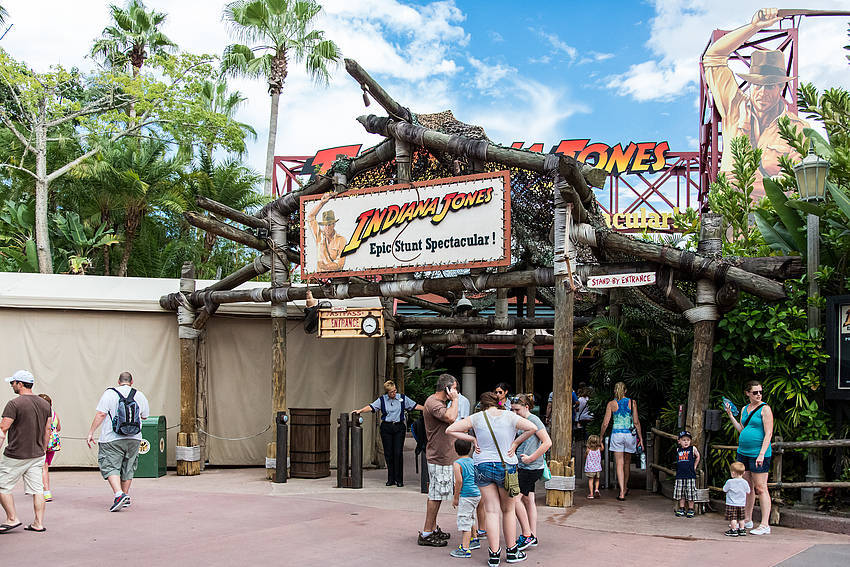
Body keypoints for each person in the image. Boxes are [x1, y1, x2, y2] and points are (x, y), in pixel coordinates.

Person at [702, 7, 809, 198]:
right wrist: (754, 26)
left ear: (780, 87)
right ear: (751, 85)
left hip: (772, 212)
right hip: (731, 209)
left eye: (770, 86)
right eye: (757, 85)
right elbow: (713, 57)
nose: (762, 93)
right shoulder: (734, 107)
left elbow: (801, 178)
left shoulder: (798, 128)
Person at [447, 392, 538, 566]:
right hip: (506, 465)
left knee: (491, 511)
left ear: (482, 405)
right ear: (498, 403)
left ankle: (494, 554)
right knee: (508, 510)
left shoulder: (477, 418)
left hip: (482, 465)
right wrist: (515, 443)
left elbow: (450, 429)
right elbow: (532, 428)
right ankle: (511, 551)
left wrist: (473, 439)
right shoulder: (510, 416)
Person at [86, 372, 150, 512]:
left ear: (118, 381)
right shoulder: (139, 395)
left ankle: (119, 494)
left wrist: (91, 432)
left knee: (110, 466)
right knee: (128, 467)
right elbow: (145, 416)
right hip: (134, 438)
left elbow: (101, 414)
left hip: (111, 438)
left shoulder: (109, 393)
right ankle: (125, 496)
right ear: (132, 381)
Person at [0, 370, 51, 533]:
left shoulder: (14, 404)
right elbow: (48, 429)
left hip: (16, 454)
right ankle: (38, 523)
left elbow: (3, 428)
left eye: (13, 383)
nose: (11, 385)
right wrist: (43, 449)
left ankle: (12, 518)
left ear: (20, 384)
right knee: (38, 489)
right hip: (37, 454)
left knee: (2, 486)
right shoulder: (45, 404)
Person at [724, 379, 773, 535]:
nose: (758, 395)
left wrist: (761, 454)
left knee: (761, 488)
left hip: (758, 453)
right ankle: (747, 518)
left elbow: (768, 433)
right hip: (743, 452)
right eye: (755, 392)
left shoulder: (765, 409)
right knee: (747, 486)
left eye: (760, 392)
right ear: (748, 393)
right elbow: (742, 429)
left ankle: (765, 524)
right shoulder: (745, 409)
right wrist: (730, 415)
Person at [418, 373, 461, 547]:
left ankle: (433, 528)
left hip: (444, 456)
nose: (457, 392)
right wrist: (455, 400)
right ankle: (427, 532)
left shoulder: (440, 403)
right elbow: (451, 417)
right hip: (439, 457)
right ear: (447, 388)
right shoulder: (434, 403)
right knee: (435, 495)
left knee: (438, 495)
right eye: (455, 388)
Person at [354, 380, 423, 487]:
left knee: (398, 453)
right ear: (387, 392)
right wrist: (360, 410)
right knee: (389, 453)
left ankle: (399, 480)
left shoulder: (402, 398)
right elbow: (371, 407)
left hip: (399, 426)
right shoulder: (382, 400)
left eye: (395, 391)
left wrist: (428, 408)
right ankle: (391, 479)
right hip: (387, 427)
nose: (394, 393)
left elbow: (414, 406)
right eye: (391, 392)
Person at [511, 394, 551, 552]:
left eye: (517, 410)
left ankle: (527, 534)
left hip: (531, 467)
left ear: (526, 407)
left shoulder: (534, 420)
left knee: (514, 499)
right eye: (512, 410)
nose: (514, 413)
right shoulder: (520, 421)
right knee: (528, 500)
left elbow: (547, 442)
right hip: (525, 465)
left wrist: (531, 458)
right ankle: (532, 535)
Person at [598, 382, 644, 501]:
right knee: (627, 463)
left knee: (619, 463)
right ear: (626, 391)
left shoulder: (611, 404)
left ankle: (621, 492)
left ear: (615, 391)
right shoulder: (632, 403)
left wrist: (601, 437)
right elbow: (636, 422)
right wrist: (641, 439)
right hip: (629, 435)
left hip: (617, 435)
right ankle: (625, 487)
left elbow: (605, 423)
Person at [450, 438, 481, 558]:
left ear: (455, 450)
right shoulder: (473, 461)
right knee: (471, 516)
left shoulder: (457, 464)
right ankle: (474, 539)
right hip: (477, 493)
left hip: (466, 495)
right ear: (470, 449)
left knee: (464, 521)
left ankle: (465, 548)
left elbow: (458, 481)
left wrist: (456, 497)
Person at [307, 192, 347, 271]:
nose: (327, 227)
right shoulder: (319, 235)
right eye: (325, 225)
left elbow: (340, 264)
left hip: (336, 275)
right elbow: (310, 216)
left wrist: (327, 267)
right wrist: (322, 203)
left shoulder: (341, 240)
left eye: (329, 224)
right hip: (320, 275)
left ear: (333, 224)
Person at [37, 394, 60, 502]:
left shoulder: (40, 415)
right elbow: (58, 428)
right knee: (44, 467)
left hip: (42, 443)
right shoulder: (54, 414)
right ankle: (40, 489)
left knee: (43, 468)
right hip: (52, 445)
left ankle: (46, 492)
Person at [674, 431, 700, 518]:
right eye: (684, 440)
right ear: (679, 441)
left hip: (690, 475)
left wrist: (695, 466)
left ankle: (691, 509)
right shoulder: (678, 450)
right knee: (681, 493)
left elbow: (698, 456)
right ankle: (681, 508)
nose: (686, 442)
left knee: (690, 493)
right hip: (680, 475)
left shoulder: (692, 449)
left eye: (688, 440)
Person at [723, 461, 751, 537]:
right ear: (744, 472)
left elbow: (724, 489)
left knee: (733, 518)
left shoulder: (730, 482)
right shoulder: (745, 482)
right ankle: (742, 529)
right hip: (741, 503)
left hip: (731, 503)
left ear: (733, 473)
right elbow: (748, 491)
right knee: (741, 518)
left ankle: (733, 530)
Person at [584, 434, 602, 499]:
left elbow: (585, 456)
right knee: (597, 479)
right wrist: (601, 443)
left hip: (590, 468)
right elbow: (603, 448)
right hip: (597, 468)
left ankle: (591, 494)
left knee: (590, 480)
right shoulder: (599, 449)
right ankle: (596, 489)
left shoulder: (588, 450)